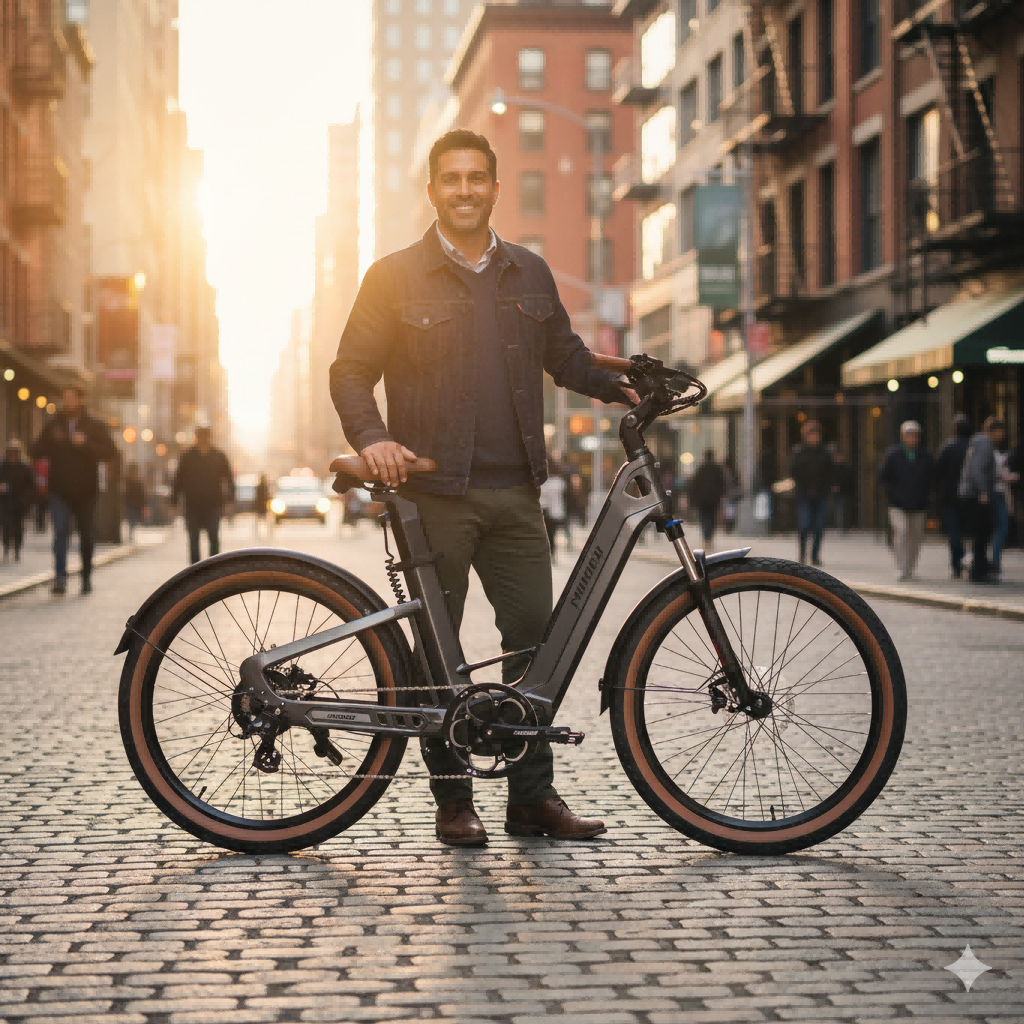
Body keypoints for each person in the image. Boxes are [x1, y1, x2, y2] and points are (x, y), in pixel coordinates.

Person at [330, 128, 635, 847]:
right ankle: (452, 802)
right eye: (451, 178)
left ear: (495, 189)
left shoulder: (528, 271)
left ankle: (531, 800)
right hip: (434, 496)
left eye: (477, 178)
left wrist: (627, 383)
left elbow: (566, 358)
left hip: (518, 496)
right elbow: (349, 370)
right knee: (440, 659)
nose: (464, 189)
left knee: (536, 645)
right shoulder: (393, 275)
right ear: (433, 189)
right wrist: (373, 440)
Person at [30, 385, 117, 595]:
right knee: (60, 532)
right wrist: (51, 441)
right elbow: (35, 450)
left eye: (71, 398)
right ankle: (60, 578)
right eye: (64, 397)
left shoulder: (94, 425)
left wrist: (85, 444)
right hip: (59, 490)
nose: (67, 402)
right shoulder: (54, 425)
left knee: (86, 535)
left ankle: (86, 576)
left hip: (86, 491)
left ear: (81, 400)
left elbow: (110, 451)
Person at [878, 421, 934, 582]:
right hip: (897, 504)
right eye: (909, 435)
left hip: (919, 504)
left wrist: (927, 495)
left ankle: (910, 568)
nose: (912, 438)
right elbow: (883, 478)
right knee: (901, 532)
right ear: (903, 437)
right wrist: (892, 494)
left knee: (915, 537)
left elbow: (931, 478)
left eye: (915, 435)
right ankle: (901, 567)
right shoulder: (893, 454)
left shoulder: (925, 455)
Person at [172, 425, 234, 564]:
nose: (203, 440)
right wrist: (174, 503)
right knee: (193, 539)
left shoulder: (219, 456)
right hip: (192, 505)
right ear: (196, 438)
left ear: (210, 438)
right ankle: (195, 571)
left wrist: (230, 501)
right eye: (200, 437)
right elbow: (178, 480)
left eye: (206, 437)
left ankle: (214, 569)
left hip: (213, 505)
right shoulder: (187, 456)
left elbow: (229, 479)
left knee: (213, 537)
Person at [958, 416, 1005, 584]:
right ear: (994, 431)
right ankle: (978, 572)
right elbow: (978, 469)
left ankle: (980, 569)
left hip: (974, 494)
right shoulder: (984, 443)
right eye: (1001, 431)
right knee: (982, 534)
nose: (1002, 435)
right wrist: (983, 492)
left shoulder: (978, 442)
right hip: (977, 496)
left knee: (981, 534)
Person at [789, 419, 833, 565]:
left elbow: (830, 473)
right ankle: (802, 554)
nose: (814, 438)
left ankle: (814, 555)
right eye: (811, 435)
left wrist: (827, 487)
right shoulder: (799, 452)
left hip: (821, 495)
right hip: (804, 495)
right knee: (804, 525)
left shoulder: (825, 453)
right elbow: (793, 472)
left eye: (816, 435)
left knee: (819, 527)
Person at [934, 414, 971, 578]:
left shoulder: (947, 447)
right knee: (969, 532)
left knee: (954, 532)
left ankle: (957, 565)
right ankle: (969, 562)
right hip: (969, 497)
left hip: (949, 497)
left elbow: (938, 473)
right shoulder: (971, 446)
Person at [1, 439, 35, 562]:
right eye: (10, 453)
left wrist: (27, 500)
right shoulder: (2, 466)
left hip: (20, 501)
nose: (12, 456)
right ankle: (5, 547)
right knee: (5, 525)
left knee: (18, 527)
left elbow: (31, 485)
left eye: (15, 453)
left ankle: (17, 549)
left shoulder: (25, 466)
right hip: (5, 501)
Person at [687, 449, 726, 548]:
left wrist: (692, 500)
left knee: (704, 518)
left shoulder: (700, 469)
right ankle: (709, 539)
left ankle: (706, 538)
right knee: (712, 518)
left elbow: (694, 486)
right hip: (714, 499)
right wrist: (721, 496)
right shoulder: (717, 469)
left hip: (702, 500)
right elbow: (722, 484)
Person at [991, 446, 1019, 579]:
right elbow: (999, 475)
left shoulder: (993, 452)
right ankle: (994, 566)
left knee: (995, 530)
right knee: (1000, 529)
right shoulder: (992, 452)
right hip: (996, 495)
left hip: (993, 495)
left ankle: (991, 564)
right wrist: (1008, 476)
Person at [539, 467, 569, 560]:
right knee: (551, 534)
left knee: (548, 535)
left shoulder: (552, 482)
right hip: (551, 512)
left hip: (546, 511)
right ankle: (551, 554)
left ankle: (549, 554)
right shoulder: (558, 482)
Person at [830, 448, 855, 533]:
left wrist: (839, 486)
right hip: (836, 493)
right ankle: (840, 526)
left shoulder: (846, 468)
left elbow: (848, 480)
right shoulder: (832, 468)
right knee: (838, 509)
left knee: (843, 509)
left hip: (844, 492)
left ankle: (843, 527)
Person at [124, 463, 146, 541]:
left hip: (136, 503)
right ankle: (131, 530)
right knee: (130, 516)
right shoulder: (127, 481)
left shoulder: (138, 481)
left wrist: (143, 504)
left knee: (133, 517)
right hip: (130, 502)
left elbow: (142, 493)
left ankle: (131, 530)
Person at [254, 473, 271, 538]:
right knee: (263, 518)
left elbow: (256, 496)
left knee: (261, 519)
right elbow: (267, 495)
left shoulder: (260, 486)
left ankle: (259, 531)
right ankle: (267, 531)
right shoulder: (264, 486)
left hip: (261, 505)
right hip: (263, 504)